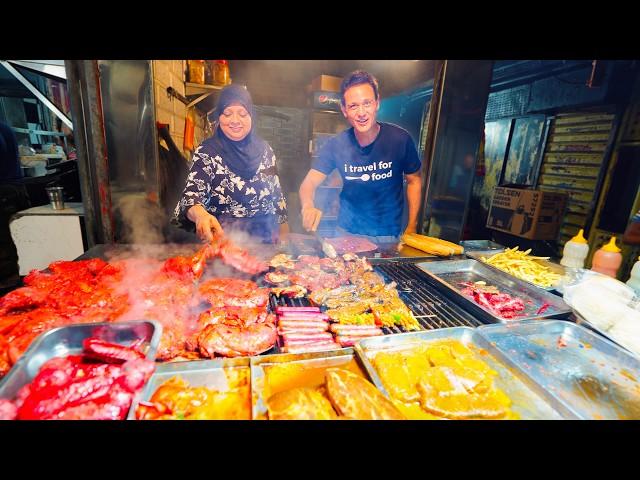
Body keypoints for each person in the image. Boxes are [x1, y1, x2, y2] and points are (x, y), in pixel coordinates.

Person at [299, 70, 422, 243]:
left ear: (377, 103)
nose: (362, 112)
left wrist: (412, 227)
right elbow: (308, 183)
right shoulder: (336, 144)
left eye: (367, 103)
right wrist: (308, 206)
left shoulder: (400, 139)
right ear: (344, 110)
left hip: (388, 236)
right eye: (353, 106)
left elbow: (414, 180)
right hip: (346, 234)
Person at [174, 84, 289, 244]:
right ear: (218, 117)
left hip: (263, 242)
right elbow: (191, 196)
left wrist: (285, 238)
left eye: (242, 114)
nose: (235, 120)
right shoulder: (207, 151)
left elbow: (277, 197)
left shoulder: (265, 150)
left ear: (251, 117)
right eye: (227, 113)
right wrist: (201, 215)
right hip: (221, 241)